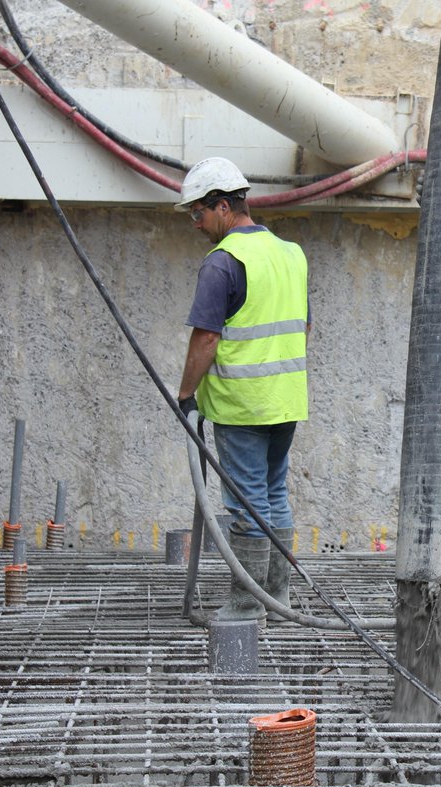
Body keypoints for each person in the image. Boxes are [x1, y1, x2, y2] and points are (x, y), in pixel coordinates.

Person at [175, 156, 309, 622]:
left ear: (224, 206)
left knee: (248, 502)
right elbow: (303, 328)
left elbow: (206, 337)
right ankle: (280, 597)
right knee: (273, 494)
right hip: (286, 401)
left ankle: (248, 603)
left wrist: (185, 395)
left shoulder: (223, 262)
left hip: (242, 407)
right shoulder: (291, 254)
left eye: (199, 213)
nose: (196, 224)